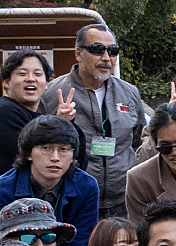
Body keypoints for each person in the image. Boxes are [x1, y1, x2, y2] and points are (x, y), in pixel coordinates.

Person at [0, 116, 100, 246]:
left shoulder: (86, 186)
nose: (55, 157)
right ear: (28, 153)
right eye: (46, 148)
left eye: (64, 149)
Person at [42, 23, 146, 218]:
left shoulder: (129, 93)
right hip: (73, 200)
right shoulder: (52, 93)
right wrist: (59, 123)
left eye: (112, 51)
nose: (106, 58)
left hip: (123, 201)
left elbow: (140, 142)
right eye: (97, 50)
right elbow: (37, 146)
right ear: (78, 54)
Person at [0, 50, 66, 246]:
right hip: (4, 227)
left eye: (37, 73)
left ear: (46, 82)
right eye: (22, 73)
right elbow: (32, 166)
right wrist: (61, 127)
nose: (30, 79)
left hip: (36, 228)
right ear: (6, 82)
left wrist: (62, 124)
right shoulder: (2, 113)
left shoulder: (37, 116)